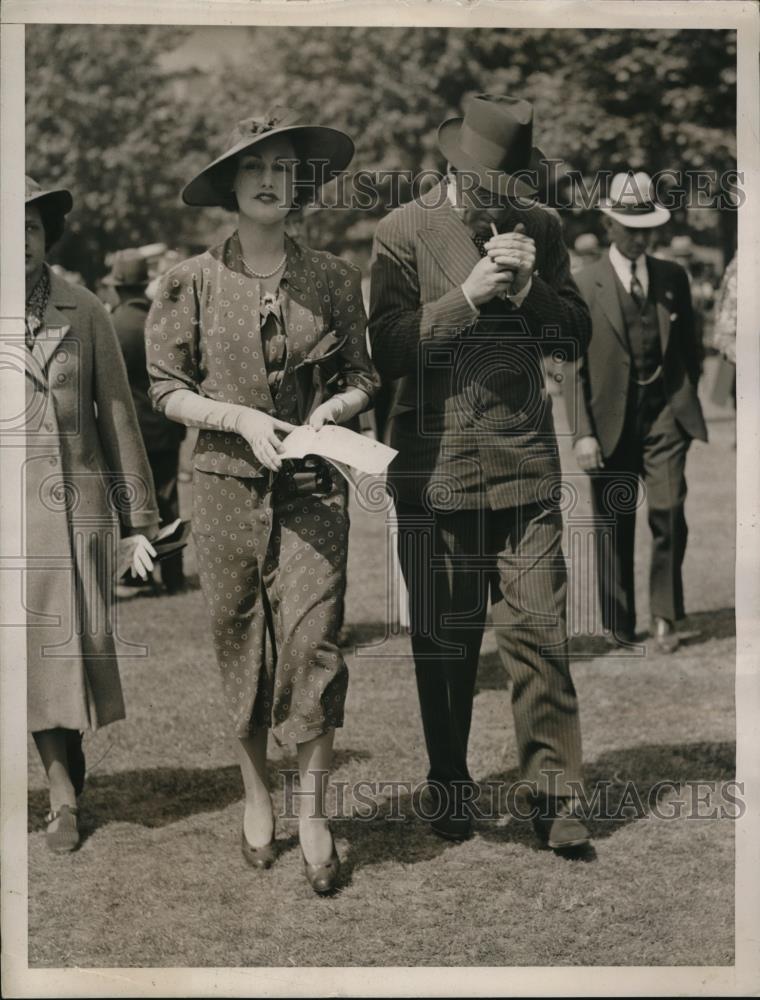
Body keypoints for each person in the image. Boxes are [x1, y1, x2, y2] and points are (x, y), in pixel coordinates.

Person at [146, 110, 379, 893]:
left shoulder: (335, 278)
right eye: (256, 169)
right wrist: (238, 417)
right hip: (220, 492)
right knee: (238, 643)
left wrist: (331, 415)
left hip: (313, 490)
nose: (272, 180)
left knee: (315, 644)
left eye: (284, 168)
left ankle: (313, 816)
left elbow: (363, 377)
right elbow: (165, 390)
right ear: (231, 187)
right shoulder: (189, 281)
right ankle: (256, 798)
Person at [369, 94, 592, 851]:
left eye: (512, 183)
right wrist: (467, 299)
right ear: (454, 166)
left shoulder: (546, 229)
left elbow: (573, 338)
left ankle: (556, 797)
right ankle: (449, 781)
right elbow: (389, 349)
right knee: (445, 638)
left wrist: (531, 291)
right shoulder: (401, 230)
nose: (503, 196)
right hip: (434, 469)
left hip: (524, 464)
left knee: (537, 632)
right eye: (489, 181)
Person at [25, 176, 159, 853]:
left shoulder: (86, 313)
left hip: (76, 514)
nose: (16, 242)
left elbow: (121, 421)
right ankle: (60, 796)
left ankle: (64, 784)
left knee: (62, 652)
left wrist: (139, 522)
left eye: (30, 228)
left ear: (47, 238)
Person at [564, 171, 708, 652]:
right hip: (607, 424)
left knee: (669, 513)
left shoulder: (673, 278)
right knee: (613, 522)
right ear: (608, 226)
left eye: (646, 228)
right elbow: (572, 367)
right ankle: (619, 620)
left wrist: (683, 404)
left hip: (666, 418)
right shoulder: (582, 285)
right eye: (629, 227)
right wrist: (582, 432)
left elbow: (690, 349)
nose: (639, 237)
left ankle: (666, 615)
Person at [105, 249, 187, 593]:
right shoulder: (162, 320)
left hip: (130, 429)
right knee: (168, 501)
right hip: (166, 424)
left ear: (117, 287)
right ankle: (173, 575)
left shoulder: (112, 325)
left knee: (133, 504)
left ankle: (138, 574)